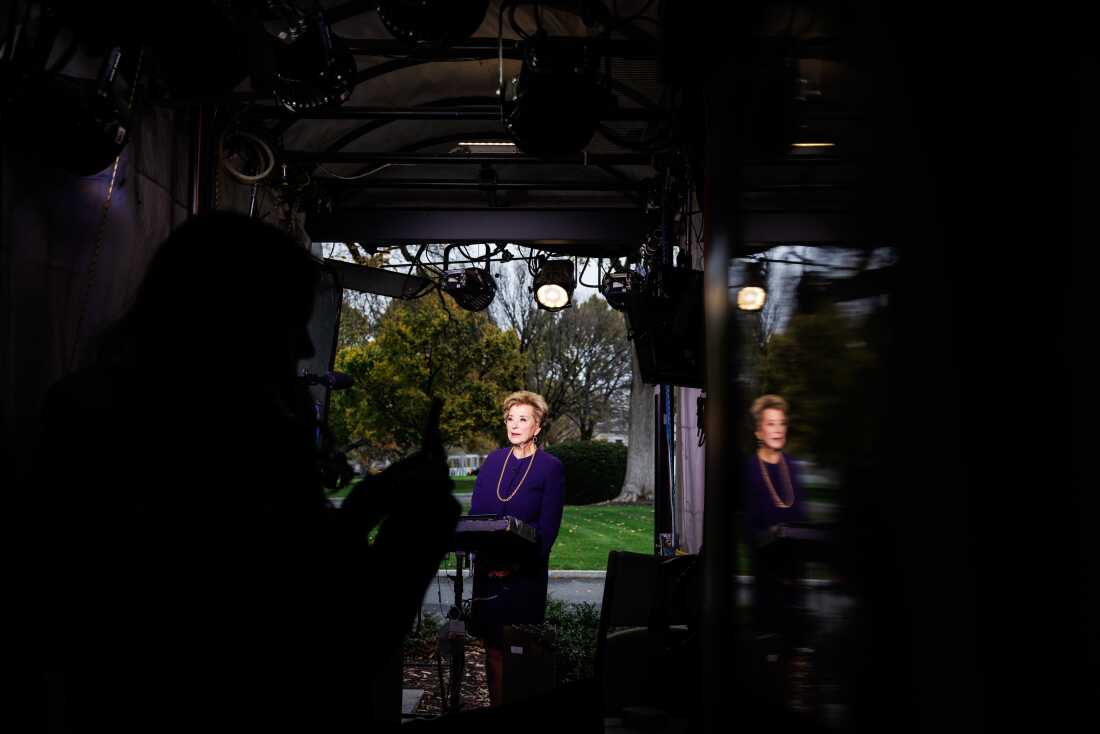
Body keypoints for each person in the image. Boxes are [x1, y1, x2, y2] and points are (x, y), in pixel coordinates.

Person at [32, 211, 460, 732]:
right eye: (290, 323)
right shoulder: (239, 438)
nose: (304, 347)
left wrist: (367, 504)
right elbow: (324, 644)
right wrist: (420, 525)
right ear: (234, 320)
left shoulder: (86, 408)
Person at [467, 391, 565, 707]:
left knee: (519, 648)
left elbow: (547, 529)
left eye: (523, 419)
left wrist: (514, 565)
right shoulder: (494, 461)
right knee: (492, 646)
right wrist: (485, 558)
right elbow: (476, 515)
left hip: (524, 576)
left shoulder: (551, 467)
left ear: (537, 427)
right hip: (488, 573)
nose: (514, 425)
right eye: (511, 418)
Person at [743, 394, 809, 641]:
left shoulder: (791, 465)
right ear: (759, 432)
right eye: (771, 424)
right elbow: (749, 530)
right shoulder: (750, 469)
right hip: (767, 579)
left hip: (795, 577)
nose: (778, 430)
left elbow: (802, 515)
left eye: (781, 423)